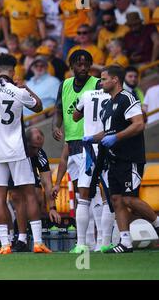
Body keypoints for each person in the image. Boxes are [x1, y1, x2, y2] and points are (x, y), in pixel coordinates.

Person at [0, 54, 51, 254]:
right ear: (13, 71)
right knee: (29, 195)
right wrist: (27, 89)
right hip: (17, 150)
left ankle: (5, 244)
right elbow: (39, 106)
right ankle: (38, 242)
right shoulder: (17, 91)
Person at [85, 66, 159, 253]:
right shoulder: (108, 105)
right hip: (114, 160)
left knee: (129, 199)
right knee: (116, 199)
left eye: (103, 79)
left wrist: (116, 138)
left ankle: (158, 223)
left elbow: (139, 124)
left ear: (115, 80)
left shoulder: (127, 98)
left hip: (130, 158)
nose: (100, 83)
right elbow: (109, 132)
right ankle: (125, 242)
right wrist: (93, 138)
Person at [71, 83, 113, 253]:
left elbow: (74, 116)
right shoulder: (115, 96)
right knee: (107, 197)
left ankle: (81, 244)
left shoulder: (87, 95)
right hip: (108, 147)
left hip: (88, 149)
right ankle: (104, 243)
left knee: (83, 197)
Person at [52, 50, 100, 190]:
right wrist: (55, 127)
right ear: (72, 66)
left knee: (91, 189)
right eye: (79, 65)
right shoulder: (65, 84)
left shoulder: (97, 84)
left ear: (91, 65)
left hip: (90, 141)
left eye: (86, 64)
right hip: (71, 141)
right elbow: (59, 110)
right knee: (78, 189)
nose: (83, 68)